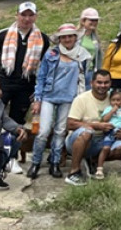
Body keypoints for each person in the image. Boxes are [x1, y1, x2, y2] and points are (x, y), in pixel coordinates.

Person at [0, 1, 50, 171]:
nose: (27, 19)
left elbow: (44, 68)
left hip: (26, 85)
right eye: (23, 15)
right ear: (17, 15)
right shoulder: (2, 35)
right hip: (3, 83)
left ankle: (11, 156)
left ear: (35, 16)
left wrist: (39, 93)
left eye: (30, 15)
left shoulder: (42, 39)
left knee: (17, 121)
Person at [30, 23, 90, 179]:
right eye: (64, 37)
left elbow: (85, 79)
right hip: (49, 95)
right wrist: (38, 99)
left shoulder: (82, 55)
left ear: (75, 37)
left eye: (70, 36)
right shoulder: (51, 54)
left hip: (70, 97)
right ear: (60, 39)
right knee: (43, 131)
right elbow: (41, 77)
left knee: (60, 131)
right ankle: (35, 162)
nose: (68, 39)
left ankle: (55, 162)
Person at [64, 70, 121, 186]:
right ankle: (74, 172)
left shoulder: (114, 98)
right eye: (99, 82)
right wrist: (96, 126)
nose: (103, 86)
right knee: (87, 132)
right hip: (77, 140)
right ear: (92, 83)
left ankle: (92, 161)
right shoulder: (81, 99)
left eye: (106, 83)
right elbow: (70, 124)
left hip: (103, 140)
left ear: (110, 83)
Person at [93, 88, 121, 179]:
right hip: (111, 131)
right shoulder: (108, 109)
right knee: (106, 148)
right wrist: (111, 112)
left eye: (118, 100)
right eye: (113, 100)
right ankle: (99, 168)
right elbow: (104, 119)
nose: (115, 102)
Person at [77, 8, 103, 86]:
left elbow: (98, 58)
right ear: (83, 21)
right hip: (78, 71)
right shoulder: (76, 36)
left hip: (91, 72)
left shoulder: (95, 38)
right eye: (91, 20)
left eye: (96, 20)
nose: (94, 23)